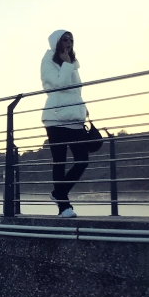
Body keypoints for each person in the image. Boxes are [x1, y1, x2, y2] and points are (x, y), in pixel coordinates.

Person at [43, 30, 99, 217]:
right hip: (56, 117)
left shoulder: (72, 63)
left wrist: (83, 108)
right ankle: (64, 207)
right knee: (59, 162)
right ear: (57, 42)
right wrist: (66, 64)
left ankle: (59, 193)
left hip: (74, 118)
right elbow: (60, 85)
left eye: (71, 39)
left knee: (82, 159)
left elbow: (75, 91)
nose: (69, 42)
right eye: (65, 39)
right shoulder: (48, 61)